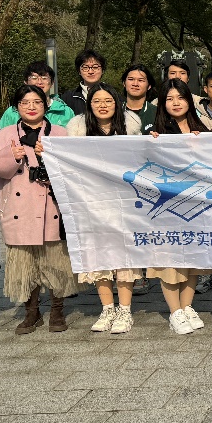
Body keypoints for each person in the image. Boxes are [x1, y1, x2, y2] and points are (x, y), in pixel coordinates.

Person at [0, 85, 78, 334]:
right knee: (25, 263)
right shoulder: (6, 134)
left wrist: (49, 157)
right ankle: (31, 312)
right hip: (19, 207)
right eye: (25, 103)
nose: (31, 107)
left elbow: (74, 167)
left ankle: (57, 310)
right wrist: (10, 155)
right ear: (16, 107)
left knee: (56, 260)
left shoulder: (60, 133)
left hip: (52, 205)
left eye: (37, 102)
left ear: (45, 106)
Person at [65, 83, 143, 333]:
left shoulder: (130, 129)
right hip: (91, 203)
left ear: (116, 103)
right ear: (89, 105)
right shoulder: (78, 130)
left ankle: (125, 310)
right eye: (97, 101)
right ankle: (107, 308)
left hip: (123, 204)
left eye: (108, 101)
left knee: (124, 256)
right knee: (98, 254)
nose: (102, 105)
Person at [148, 79, 212, 335]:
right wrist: (150, 144)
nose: (176, 103)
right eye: (170, 98)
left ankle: (187, 307)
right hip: (167, 206)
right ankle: (174, 311)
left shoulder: (202, 128)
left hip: (196, 204)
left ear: (189, 100)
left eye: (181, 97)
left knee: (193, 257)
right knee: (169, 259)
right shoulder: (156, 132)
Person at [0, 62, 74, 128]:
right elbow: (1, 137)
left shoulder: (65, 111)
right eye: (34, 78)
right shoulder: (12, 112)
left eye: (44, 78)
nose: (39, 82)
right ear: (26, 82)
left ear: (52, 83)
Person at [61, 49, 107, 115]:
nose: (90, 72)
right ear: (79, 71)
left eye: (95, 67)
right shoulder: (68, 98)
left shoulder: (113, 95)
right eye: (85, 67)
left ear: (102, 70)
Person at [121, 64, 158, 134]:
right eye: (131, 79)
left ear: (149, 86)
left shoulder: (157, 113)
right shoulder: (115, 110)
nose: (135, 84)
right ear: (124, 83)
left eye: (140, 80)